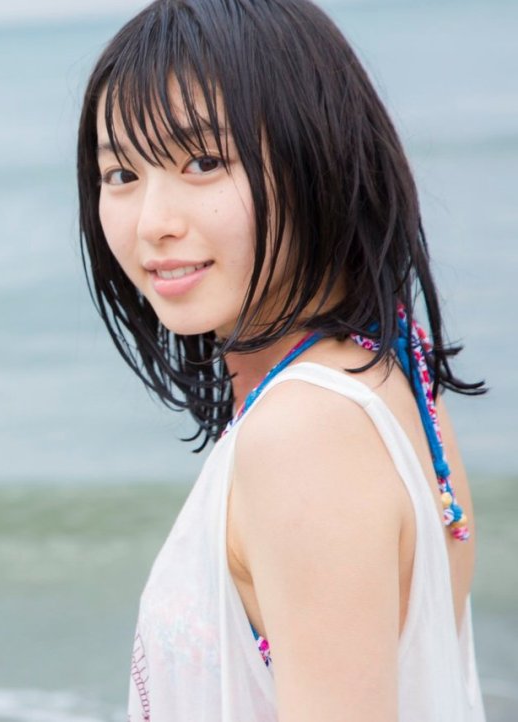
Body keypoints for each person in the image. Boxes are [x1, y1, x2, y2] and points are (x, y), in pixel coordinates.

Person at [77, 0, 487, 719]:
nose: (152, 222)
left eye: (203, 162)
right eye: (120, 175)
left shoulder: (304, 434)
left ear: (316, 155)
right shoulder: (389, 363)